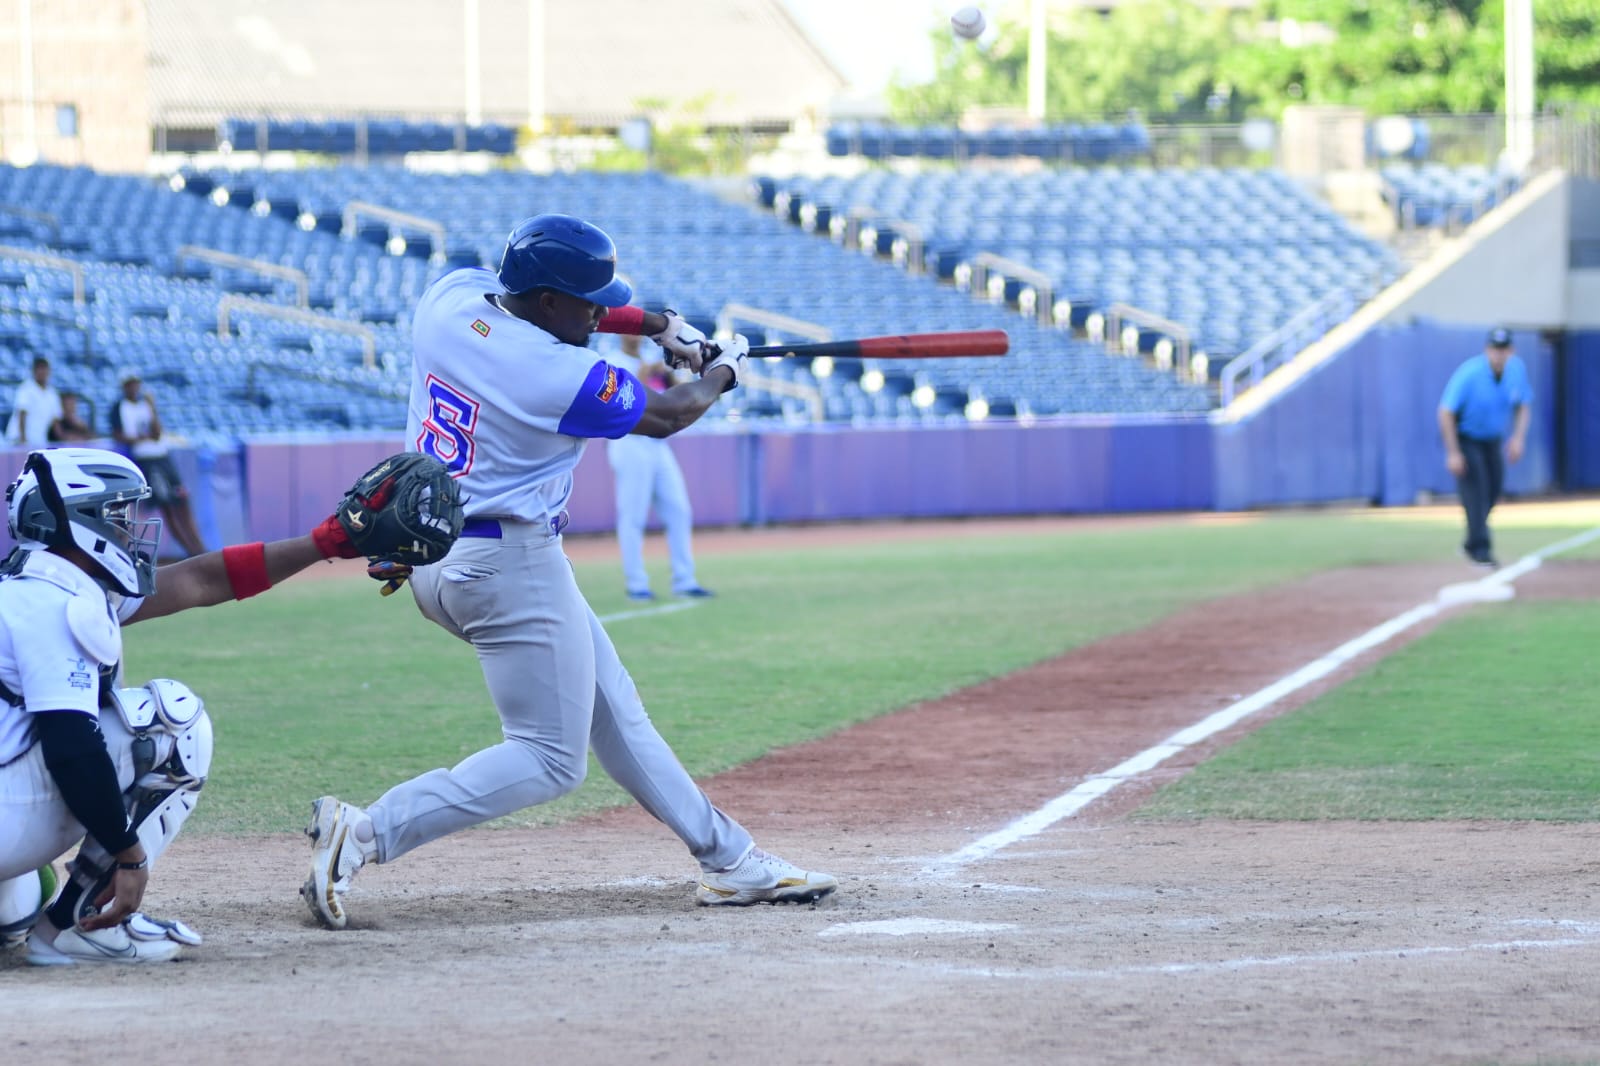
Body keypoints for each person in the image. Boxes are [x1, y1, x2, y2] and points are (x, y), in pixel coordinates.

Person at [301, 213, 837, 931]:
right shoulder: (553, 371)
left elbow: (567, 310)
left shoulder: (451, 299)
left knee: (614, 711)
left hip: (432, 551)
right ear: (549, 303)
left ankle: (729, 861)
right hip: (508, 565)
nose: (595, 313)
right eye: (586, 302)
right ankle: (365, 833)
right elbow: (672, 413)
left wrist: (654, 323)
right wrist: (723, 370)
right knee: (551, 758)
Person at [0, 446, 439, 965]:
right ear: (78, 520)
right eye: (117, 514)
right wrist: (129, 854)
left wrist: (323, 543)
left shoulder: (36, 582)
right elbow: (71, 747)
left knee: (17, 906)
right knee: (173, 719)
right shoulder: (58, 602)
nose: (131, 527)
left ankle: (24, 909)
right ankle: (80, 925)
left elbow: (201, 580)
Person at [605, 333, 713, 600]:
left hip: (656, 444)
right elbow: (627, 402)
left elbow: (672, 397)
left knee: (679, 509)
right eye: (627, 331)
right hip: (628, 442)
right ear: (619, 333)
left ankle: (684, 579)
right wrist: (644, 372)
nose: (633, 336)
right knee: (633, 516)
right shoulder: (611, 362)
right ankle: (637, 584)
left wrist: (667, 374)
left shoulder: (650, 359)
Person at [1437, 326, 1533, 569]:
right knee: (1476, 491)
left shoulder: (1516, 370)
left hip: (1493, 440)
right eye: (1494, 349)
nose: (1498, 354)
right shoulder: (1469, 373)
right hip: (1467, 438)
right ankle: (1481, 550)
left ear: (1511, 351)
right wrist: (1453, 452)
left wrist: (1518, 438)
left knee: (1493, 490)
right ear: (1486, 349)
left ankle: (1470, 541)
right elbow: (1446, 411)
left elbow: (1523, 405)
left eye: (1503, 349)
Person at [109, 371, 207, 558]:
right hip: (147, 459)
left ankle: (198, 547)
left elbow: (157, 433)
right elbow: (120, 435)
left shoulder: (146, 405)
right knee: (168, 506)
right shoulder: (119, 407)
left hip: (162, 457)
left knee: (182, 501)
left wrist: (152, 408)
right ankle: (191, 550)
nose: (134, 388)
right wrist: (142, 438)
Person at [7, 356, 63, 448]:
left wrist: (64, 441)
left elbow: (55, 422)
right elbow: (22, 414)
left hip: (39, 442)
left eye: (44, 368)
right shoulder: (26, 388)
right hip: (18, 442)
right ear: (33, 371)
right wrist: (23, 441)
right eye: (39, 368)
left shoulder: (52, 393)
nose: (42, 372)